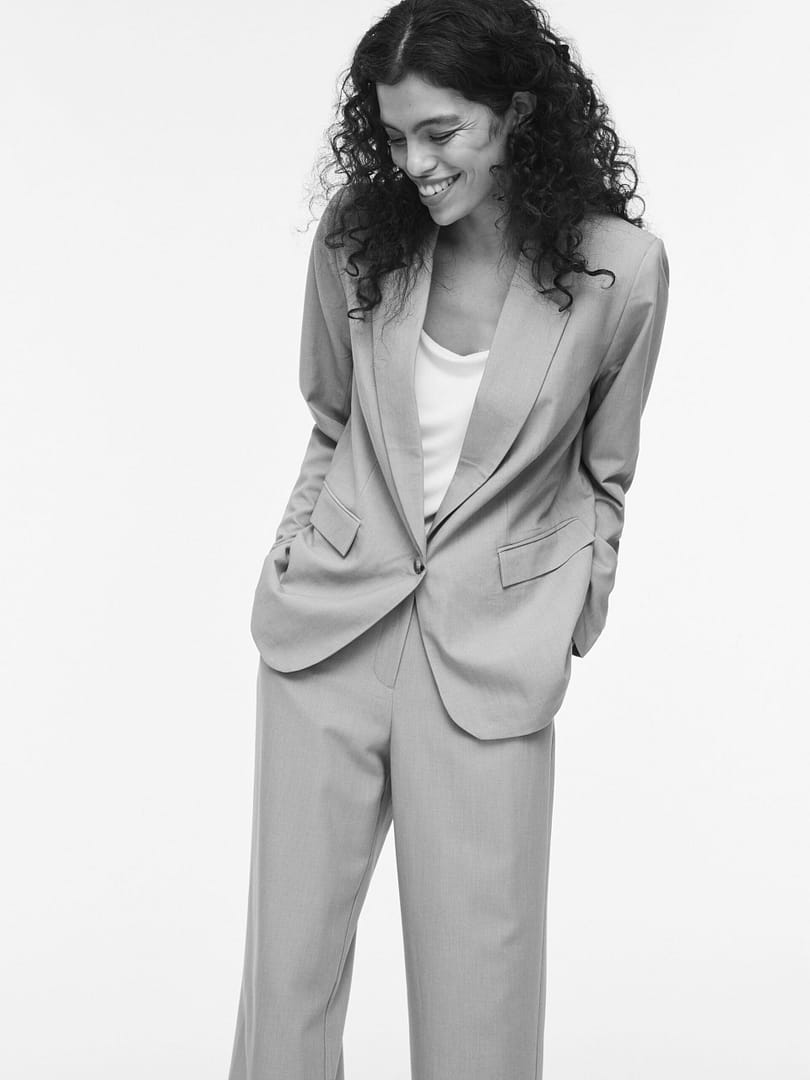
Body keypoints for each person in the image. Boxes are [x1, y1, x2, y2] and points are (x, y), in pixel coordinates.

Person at [227, 0, 670, 1077]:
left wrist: (569, 612)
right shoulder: (358, 238)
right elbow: (331, 418)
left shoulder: (621, 270)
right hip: (328, 635)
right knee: (286, 984)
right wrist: (293, 552)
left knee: (483, 995)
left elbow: (606, 473)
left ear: (514, 112)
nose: (414, 164)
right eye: (393, 137)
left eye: (441, 132)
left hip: (492, 654)